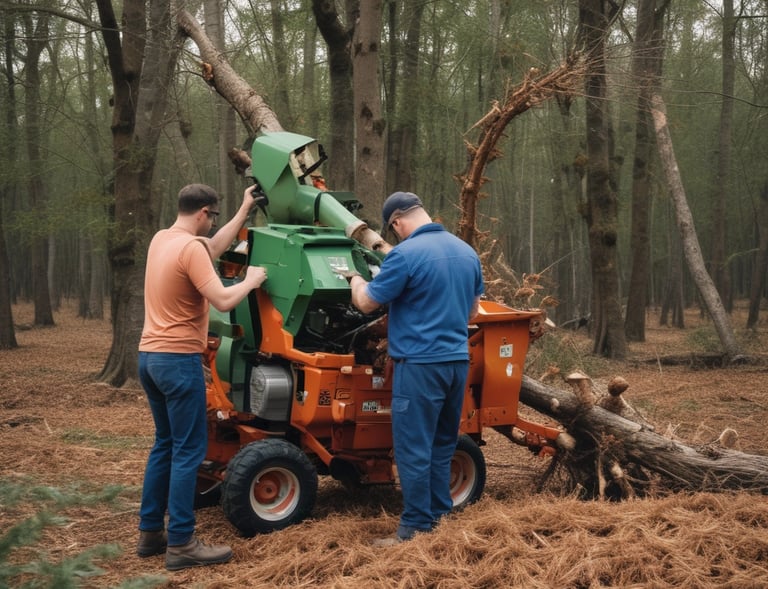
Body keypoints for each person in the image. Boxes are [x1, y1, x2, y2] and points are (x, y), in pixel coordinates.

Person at [136, 183, 267, 571]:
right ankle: (181, 543)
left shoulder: (163, 239)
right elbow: (224, 300)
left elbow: (211, 248)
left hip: (149, 358)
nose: (212, 224)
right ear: (204, 213)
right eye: (212, 217)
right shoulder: (191, 248)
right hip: (178, 361)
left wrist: (243, 208)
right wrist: (252, 280)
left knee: (165, 444)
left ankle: (150, 533)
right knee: (189, 450)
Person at [345, 191, 484, 544]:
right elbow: (472, 314)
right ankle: (439, 520)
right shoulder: (467, 253)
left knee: (412, 449)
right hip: (456, 363)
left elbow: (365, 303)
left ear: (396, 223)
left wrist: (354, 281)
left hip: (420, 366)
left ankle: (414, 528)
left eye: (394, 231)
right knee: (441, 445)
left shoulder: (405, 255)